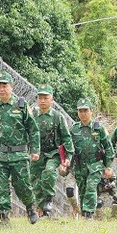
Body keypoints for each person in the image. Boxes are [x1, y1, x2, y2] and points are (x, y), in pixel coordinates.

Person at [0, 70, 40, 226]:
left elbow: (33, 129)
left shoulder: (21, 106)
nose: (1, 89)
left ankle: (30, 208)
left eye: (4, 86)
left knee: (22, 185)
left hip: (19, 154)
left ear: (11, 86)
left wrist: (35, 150)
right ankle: (4, 219)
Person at [30, 84, 74, 217]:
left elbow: (66, 138)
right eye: (40, 97)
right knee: (35, 181)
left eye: (45, 97)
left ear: (51, 99)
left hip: (53, 153)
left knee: (48, 172)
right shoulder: (32, 115)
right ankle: (41, 210)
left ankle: (49, 198)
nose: (42, 100)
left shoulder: (57, 116)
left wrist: (68, 157)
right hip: (37, 153)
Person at [69, 98, 114, 219]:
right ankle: (85, 214)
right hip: (80, 164)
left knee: (91, 186)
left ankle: (89, 213)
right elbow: (66, 146)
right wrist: (65, 162)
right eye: (80, 111)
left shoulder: (98, 128)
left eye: (85, 110)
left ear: (91, 111)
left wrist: (108, 166)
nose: (83, 113)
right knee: (83, 189)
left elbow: (109, 148)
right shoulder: (73, 129)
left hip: (96, 164)